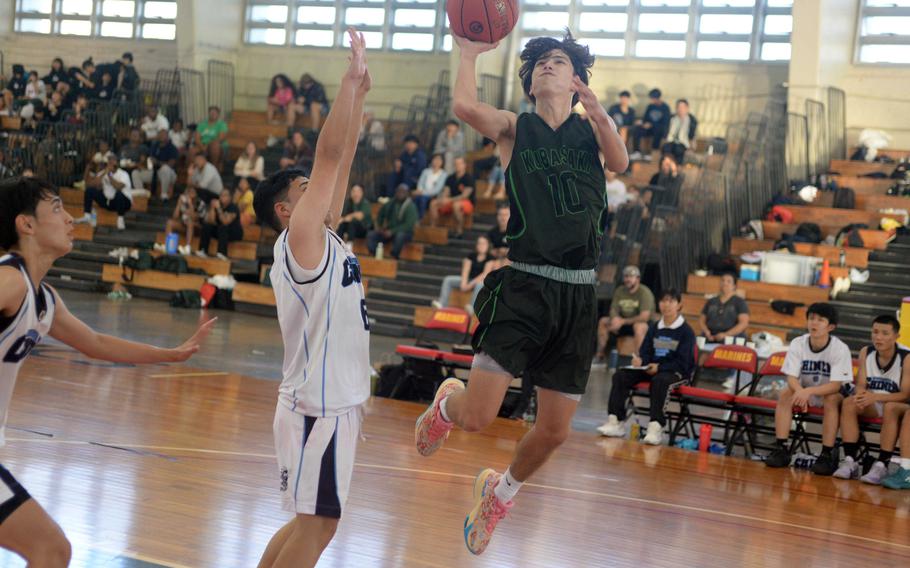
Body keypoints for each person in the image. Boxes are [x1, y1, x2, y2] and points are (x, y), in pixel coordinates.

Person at [414, 31, 628, 556]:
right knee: (478, 417)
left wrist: (599, 111)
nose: (550, 68)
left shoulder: (590, 131)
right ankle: (447, 406)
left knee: (555, 431)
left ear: (576, 81)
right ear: (530, 82)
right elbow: (465, 105)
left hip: (578, 295)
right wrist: (468, 52)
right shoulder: (515, 129)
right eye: (542, 64)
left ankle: (499, 492)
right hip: (526, 283)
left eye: (561, 62)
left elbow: (620, 163)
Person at [0, 176, 214, 567]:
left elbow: (95, 344)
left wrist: (169, 354)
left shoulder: (43, 300)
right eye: (57, 208)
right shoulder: (10, 281)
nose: (71, 219)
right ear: (25, 224)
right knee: (51, 549)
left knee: (51, 550)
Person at [251, 28, 370, 568]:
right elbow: (327, 155)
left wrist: (360, 96)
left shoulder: (320, 236)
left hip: (325, 402)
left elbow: (341, 161)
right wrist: (345, 83)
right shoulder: (300, 238)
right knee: (318, 525)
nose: (315, 190)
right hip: (318, 407)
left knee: (312, 523)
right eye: (303, 190)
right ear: (285, 209)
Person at [764, 303, 854, 472]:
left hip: (831, 392)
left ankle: (826, 453)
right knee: (785, 394)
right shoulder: (798, 343)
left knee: (831, 399)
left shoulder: (840, 348)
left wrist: (807, 392)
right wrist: (800, 392)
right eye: (812, 318)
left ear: (831, 326)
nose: (814, 323)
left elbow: (835, 385)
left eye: (821, 320)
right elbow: (791, 376)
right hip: (806, 390)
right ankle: (781, 448)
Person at [599, 289, 696, 444]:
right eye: (663, 301)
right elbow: (646, 351)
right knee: (621, 375)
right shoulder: (655, 327)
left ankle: (655, 427)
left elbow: (684, 363)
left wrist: (660, 367)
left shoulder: (686, 332)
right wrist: (641, 361)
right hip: (651, 369)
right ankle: (616, 421)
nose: (666, 305)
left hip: (675, 373)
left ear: (679, 305)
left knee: (660, 381)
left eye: (671, 301)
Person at [831, 315, 910, 481]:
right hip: (873, 403)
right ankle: (850, 461)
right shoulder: (866, 352)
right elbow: (861, 383)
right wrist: (860, 394)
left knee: (890, 407)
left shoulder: (907, 357)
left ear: (896, 336)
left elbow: (905, 395)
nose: (878, 337)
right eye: (875, 332)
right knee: (849, 402)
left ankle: (882, 464)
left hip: (897, 406)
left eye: (885, 333)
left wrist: (874, 397)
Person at [594, 266, 655, 366]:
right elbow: (613, 309)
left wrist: (622, 321)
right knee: (603, 321)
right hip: (622, 323)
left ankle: (639, 361)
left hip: (640, 324)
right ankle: (600, 356)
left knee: (639, 326)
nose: (628, 279)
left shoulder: (645, 292)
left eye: (631, 276)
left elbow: (645, 316)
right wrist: (614, 319)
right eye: (626, 276)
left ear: (638, 279)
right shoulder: (620, 290)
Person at [432, 235, 494, 311]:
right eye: (479, 243)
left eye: (484, 243)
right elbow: (466, 269)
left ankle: (472, 307)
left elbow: (484, 274)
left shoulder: (490, 258)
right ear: (476, 245)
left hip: (480, 282)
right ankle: (442, 303)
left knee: (479, 284)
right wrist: (463, 284)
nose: (481, 246)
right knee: (448, 279)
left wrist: (469, 285)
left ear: (488, 245)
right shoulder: (471, 256)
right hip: (468, 279)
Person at [75, 154, 132, 230]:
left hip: (123, 204)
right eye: (109, 161)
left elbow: (118, 187)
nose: (110, 163)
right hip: (108, 202)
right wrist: (104, 174)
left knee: (119, 194)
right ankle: (87, 216)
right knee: (89, 191)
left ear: (117, 164)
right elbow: (91, 184)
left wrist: (109, 175)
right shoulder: (104, 172)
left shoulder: (123, 174)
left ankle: (120, 219)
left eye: (112, 161)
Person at [367, 184, 418, 259]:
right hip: (388, 230)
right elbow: (381, 214)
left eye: (403, 192)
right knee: (371, 234)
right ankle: (374, 253)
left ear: (407, 194)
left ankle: (394, 256)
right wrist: (379, 226)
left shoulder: (410, 206)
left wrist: (392, 231)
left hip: (404, 232)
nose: (400, 194)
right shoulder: (391, 203)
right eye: (399, 191)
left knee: (400, 235)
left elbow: (408, 225)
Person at [428, 156, 475, 238]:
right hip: (451, 201)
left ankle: (459, 231)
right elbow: (446, 191)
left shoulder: (469, 178)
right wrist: (443, 198)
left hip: (467, 202)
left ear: (464, 165)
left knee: (456, 205)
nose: (457, 165)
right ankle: (434, 228)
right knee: (434, 203)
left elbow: (465, 196)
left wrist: (449, 199)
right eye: (456, 164)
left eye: (459, 164)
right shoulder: (450, 178)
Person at [698, 273, 749, 342]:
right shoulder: (711, 301)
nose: (725, 283)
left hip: (731, 336)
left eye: (728, 281)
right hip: (710, 335)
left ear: (734, 286)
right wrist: (706, 332)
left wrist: (726, 334)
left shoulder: (740, 302)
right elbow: (701, 320)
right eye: (722, 280)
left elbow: (743, 323)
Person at [198, 189, 243, 260]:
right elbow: (210, 221)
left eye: (225, 195)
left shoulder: (233, 207)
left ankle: (222, 253)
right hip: (220, 232)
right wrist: (212, 208)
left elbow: (225, 222)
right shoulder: (217, 206)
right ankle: (203, 250)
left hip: (233, 232)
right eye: (221, 195)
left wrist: (218, 208)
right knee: (207, 226)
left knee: (223, 227)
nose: (222, 197)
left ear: (230, 197)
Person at [631, 88, 671, 160]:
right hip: (648, 128)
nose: (651, 100)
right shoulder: (650, 106)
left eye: (652, 99)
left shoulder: (665, 108)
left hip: (658, 129)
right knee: (637, 129)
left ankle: (651, 153)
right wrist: (642, 123)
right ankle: (637, 152)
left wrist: (652, 124)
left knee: (658, 130)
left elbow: (665, 123)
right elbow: (646, 118)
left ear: (657, 98)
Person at [166, 185, 205, 255]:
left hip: (197, 227)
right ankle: (168, 245)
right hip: (184, 225)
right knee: (170, 222)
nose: (190, 194)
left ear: (196, 194)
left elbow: (194, 217)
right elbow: (175, 217)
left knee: (190, 222)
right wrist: (179, 204)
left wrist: (190, 204)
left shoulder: (200, 203)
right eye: (188, 192)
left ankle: (188, 247)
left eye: (192, 192)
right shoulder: (183, 202)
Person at [146, 129, 180, 202]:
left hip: (170, 174)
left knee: (165, 168)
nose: (161, 136)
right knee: (136, 173)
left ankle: (164, 194)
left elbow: (171, 164)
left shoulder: (172, 148)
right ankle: (142, 196)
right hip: (155, 172)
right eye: (160, 135)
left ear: (167, 136)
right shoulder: (154, 146)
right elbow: (150, 159)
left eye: (163, 135)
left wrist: (157, 162)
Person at [662, 99, 698, 165]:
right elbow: (666, 132)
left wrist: (691, 148)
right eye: (678, 107)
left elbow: (693, 136)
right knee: (666, 149)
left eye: (683, 107)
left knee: (678, 150)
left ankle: (676, 168)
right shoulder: (672, 118)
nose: (680, 109)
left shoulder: (692, 121)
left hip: (683, 144)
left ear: (687, 108)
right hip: (670, 141)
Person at [413, 153, 447, 218]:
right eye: (435, 159)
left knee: (422, 199)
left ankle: (420, 218)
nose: (437, 162)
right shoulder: (426, 171)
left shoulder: (443, 174)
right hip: (421, 193)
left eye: (439, 160)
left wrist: (423, 193)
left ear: (442, 162)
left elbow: (437, 189)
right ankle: (413, 218)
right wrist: (419, 190)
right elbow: (420, 183)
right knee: (416, 198)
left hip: (434, 195)